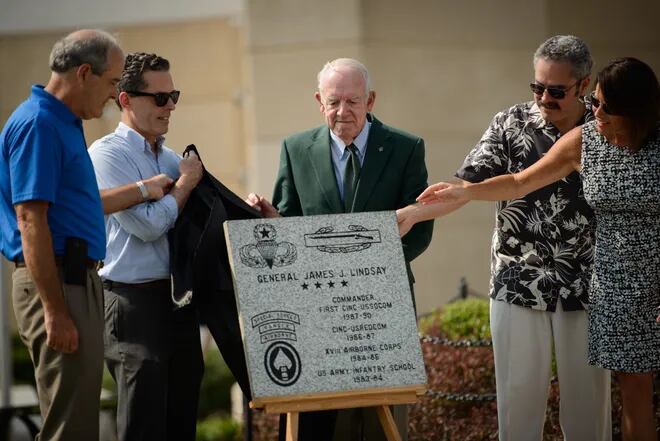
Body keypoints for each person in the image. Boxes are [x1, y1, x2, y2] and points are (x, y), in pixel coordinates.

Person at [416, 56, 660, 441]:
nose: (596, 113)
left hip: (653, 283)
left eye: (606, 108)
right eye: (595, 103)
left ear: (636, 110)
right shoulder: (585, 141)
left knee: (636, 395)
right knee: (634, 392)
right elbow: (518, 183)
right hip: (613, 287)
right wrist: (467, 190)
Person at [247, 57, 433, 441]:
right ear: (319, 101)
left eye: (353, 101)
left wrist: (370, 269)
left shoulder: (405, 147)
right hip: (319, 305)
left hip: (383, 302)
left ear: (371, 100)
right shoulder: (296, 149)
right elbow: (292, 221)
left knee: (384, 415)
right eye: (333, 102)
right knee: (330, 421)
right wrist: (272, 221)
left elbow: (420, 228)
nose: (342, 111)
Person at [0, 29, 126, 441]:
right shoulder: (39, 123)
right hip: (57, 283)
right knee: (68, 427)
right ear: (85, 73)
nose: (113, 95)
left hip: (73, 279)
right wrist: (54, 310)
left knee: (78, 420)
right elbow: (31, 219)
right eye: (112, 83)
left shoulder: (63, 123)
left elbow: (80, 206)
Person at [89, 52, 204, 441]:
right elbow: (149, 227)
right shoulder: (106, 155)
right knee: (144, 425)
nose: (169, 105)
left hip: (177, 301)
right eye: (159, 97)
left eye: (173, 95)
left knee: (181, 422)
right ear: (125, 100)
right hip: (131, 303)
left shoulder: (173, 161)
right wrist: (185, 186)